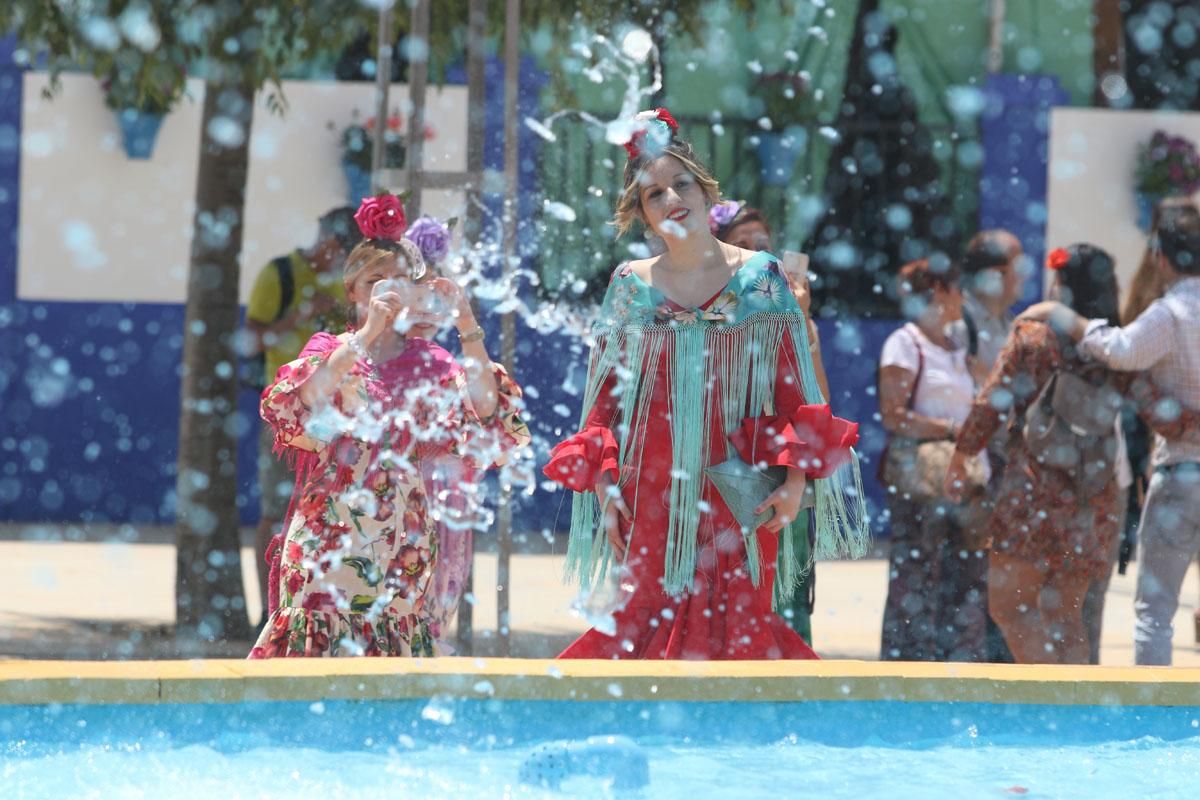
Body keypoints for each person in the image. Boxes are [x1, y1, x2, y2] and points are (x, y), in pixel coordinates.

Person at [544, 108, 868, 661]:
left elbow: (797, 391)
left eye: (681, 184)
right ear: (642, 216)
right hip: (651, 492)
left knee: (739, 625)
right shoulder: (629, 287)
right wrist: (605, 488)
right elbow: (603, 410)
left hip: (739, 486)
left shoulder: (760, 277)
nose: (672, 199)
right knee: (643, 617)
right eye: (654, 195)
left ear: (704, 191)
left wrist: (793, 483)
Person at [249, 194, 530, 658]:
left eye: (399, 281)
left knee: (392, 651)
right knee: (311, 648)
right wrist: (364, 337)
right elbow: (303, 397)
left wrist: (465, 320)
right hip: (327, 535)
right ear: (353, 291)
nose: (388, 291)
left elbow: (484, 408)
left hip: (403, 541)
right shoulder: (330, 349)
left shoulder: (429, 363)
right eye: (374, 281)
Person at [1017, 204, 1200, 666]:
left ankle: (1153, 717)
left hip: (1182, 474)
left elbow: (1121, 352)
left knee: (1154, 613)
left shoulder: (1172, 314)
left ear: (1159, 256)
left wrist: (1068, 318)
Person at [944, 245, 1140, 664]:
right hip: (1093, 493)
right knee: (1066, 614)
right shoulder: (1115, 347)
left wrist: (961, 457)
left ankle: (1045, 703)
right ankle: (1071, 715)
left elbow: (990, 403)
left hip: (1034, 491)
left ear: (1061, 285)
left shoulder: (1032, 336)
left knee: (1010, 606)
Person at [709, 200, 830, 644]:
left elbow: (819, 402)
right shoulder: (712, 316)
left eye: (764, 244)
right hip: (725, 475)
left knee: (786, 602)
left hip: (781, 476)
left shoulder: (793, 315)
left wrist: (801, 323)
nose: (759, 255)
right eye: (744, 246)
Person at [244, 206, 358, 622]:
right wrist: (302, 314)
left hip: (338, 420)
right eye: (340, 252)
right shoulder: (280, 275)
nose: (340, 262)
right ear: (328, 242)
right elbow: (249, 342)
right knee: (276, 512)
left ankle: (318, 608)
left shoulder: (349, 287)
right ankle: (268, 610)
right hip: (287, 420)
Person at [878, 258, 990, 661]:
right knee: (917, 577)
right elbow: (894, 415)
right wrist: (949, 430)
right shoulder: (904, 344)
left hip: (962, 485)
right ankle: (908, 667)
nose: (964, 298)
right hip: (922, 485)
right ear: (940, 291)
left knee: (964, 577)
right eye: (958, 289)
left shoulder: (958, 346)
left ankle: (955, 666)